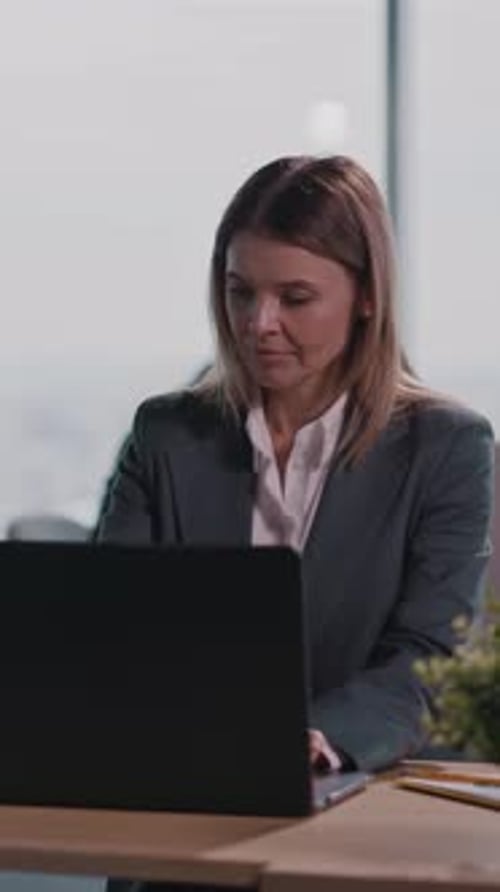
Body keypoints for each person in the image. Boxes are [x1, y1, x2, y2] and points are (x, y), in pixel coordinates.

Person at [99, 155, 494, 892]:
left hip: (358, 828)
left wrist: (315, 736)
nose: (260, 324)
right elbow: (110, 630)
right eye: (240, 293)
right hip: (181, 821)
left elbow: (430, 658)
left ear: (367, 297)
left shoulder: (447, 448)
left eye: (296, 297)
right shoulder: (167, 436)